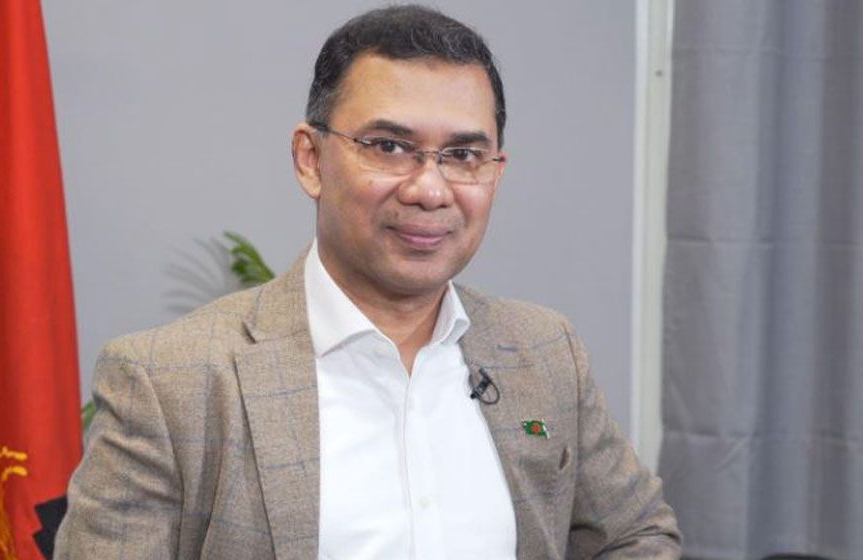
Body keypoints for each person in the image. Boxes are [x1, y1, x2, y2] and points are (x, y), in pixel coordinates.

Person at [54, 5, 681, 559]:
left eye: (463, 156)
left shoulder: (545, 353)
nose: (429, 189)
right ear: (310, 159)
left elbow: (636, 534)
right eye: (389, 147)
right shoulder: (171, 383)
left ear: (495, 170)